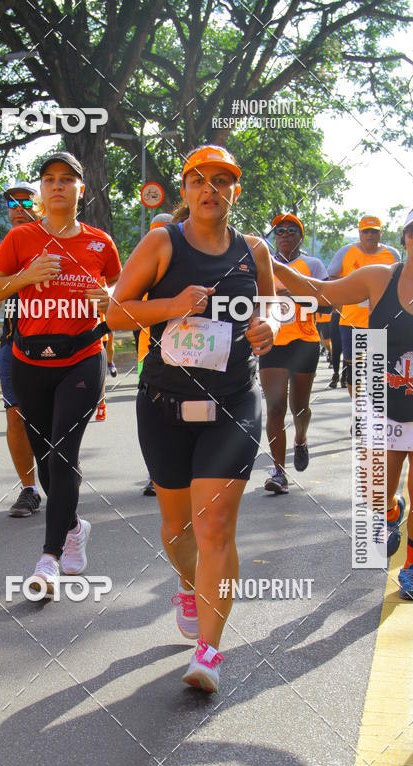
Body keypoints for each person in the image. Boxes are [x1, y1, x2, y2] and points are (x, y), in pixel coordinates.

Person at [107, 144, 278, 692]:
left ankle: (208, 653)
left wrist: (265, 330)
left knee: (215, 526)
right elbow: (113, 311)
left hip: (233, 405)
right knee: (177, 527)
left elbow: (268, 310)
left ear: (235, 190)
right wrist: (171, 305)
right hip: (164, 405)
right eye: (199, 180)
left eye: (222, 180)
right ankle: (188, 584)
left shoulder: (255, 252)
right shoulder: (163, 242)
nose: (211, 190)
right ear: (184, 190)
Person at [274, 202, 413, 603]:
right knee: (378, 494)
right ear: (404, 238)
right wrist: (269, 262)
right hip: (383, 397)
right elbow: (321, 292)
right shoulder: (379, 278)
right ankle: (392, 513)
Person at [0, 152, 121, 587]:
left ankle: (49, 557)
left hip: (82, 356)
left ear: (81, 189)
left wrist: (109, 295)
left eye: (66, 179)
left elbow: (119, 288)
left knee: (63, 452)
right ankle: (74, 526)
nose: (57, 186)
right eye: (49, 179)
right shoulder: (21, 239)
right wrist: (25, 277)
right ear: (42, 192)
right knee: (45, 459)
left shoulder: (101, 242)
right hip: (28, 359)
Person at [0, 181, 42, 517]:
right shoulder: (2, 249)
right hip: (14, 343)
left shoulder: (60, 241)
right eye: (11, 203)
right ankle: (29, 489)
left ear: (40, 206)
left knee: (53, 422)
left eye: (25, 201)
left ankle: (60, 483)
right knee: (16, 416)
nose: (18, 208)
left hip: (61, 345)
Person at [260, 213, 328, 493]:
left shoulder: (312, 264)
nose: (284, 234)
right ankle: (279, 472)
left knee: (299, 407)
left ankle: (300, 439)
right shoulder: (265, 264)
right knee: (275, 407)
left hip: (304, 340)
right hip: (272, 341)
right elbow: (252, 298)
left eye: (291, 230)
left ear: (301, 236)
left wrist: (293, 296)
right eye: (279, 231)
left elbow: (325, 305)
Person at [328, 216, 400, 398]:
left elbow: (398, 284)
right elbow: (332, 279)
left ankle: (374, 411)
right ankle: (358, 409)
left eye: (374, 231)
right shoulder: (346, 252)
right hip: (351, 320)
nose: (370, 235)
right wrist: (350, 292)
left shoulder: (392, 255)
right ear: (359, 233)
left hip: (380, 321)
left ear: (380, 233)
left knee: (376, 370)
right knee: (355, 370)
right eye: (366, 231)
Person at [136, 212, 174, 496]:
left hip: (183, 352)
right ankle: (155, 474)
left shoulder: (186, 261)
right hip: (146, 353)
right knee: (154, 410)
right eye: (155, 231)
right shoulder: (143, 261)